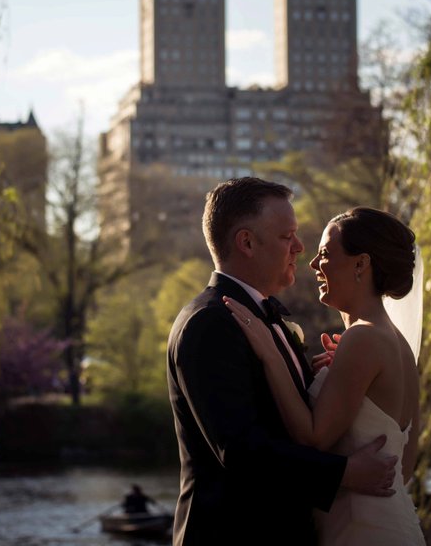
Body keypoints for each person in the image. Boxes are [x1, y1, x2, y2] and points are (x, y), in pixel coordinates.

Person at [166, 177, 398, 546]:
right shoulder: (209, 324)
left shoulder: (261, 316)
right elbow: (241, 451)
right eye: (286, 236)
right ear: (246, 243)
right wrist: (343, 474)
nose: (300, 248)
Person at [224, 205, 426, 545]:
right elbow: (404, 466)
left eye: (324, 255)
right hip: (390, 522)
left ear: (361, 263)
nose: (314, 265)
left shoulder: (364, 338)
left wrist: (270, 355)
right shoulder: (397, 344)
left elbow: (314, 438)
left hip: (361, 531)